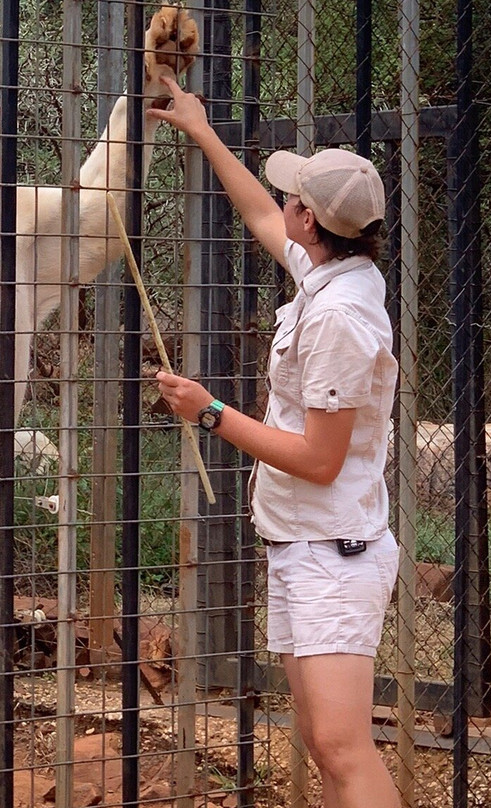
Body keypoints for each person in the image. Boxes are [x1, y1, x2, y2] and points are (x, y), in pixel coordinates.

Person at [147, 76, 401, 808]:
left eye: (297, 197)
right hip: (305, 546)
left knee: (345, 752)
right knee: (326, 747)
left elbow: (321, 462)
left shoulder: (338, 318)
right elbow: (259, 211)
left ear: (314, 221)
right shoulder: (331, 273)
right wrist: (201, 130)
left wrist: (209, 412)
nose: (282, 201)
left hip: (333, 553)